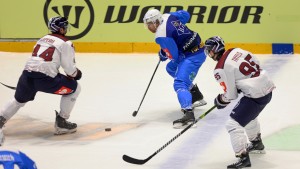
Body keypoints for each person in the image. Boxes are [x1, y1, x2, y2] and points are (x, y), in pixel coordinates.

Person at [0, 16, 82, 146]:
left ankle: (1, 119)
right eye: (64, 27)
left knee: (18, 100)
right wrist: (77, 74)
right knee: (75, 88)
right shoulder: (66, 43)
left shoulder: (42, 39)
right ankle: (62, 123)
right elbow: (69, 69)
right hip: (47, 80)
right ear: (61, 29)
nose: (66, 29)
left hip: (26, 77)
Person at [204, 36, 275, 168]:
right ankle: (256, 143)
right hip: (267, 87)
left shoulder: (220, 68)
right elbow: (256, 62)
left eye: (209, 50)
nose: (209, 54)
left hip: (256, 95)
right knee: (247, 116)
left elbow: (231, 95)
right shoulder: (236, 50)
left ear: (214, 49)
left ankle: (243, 158)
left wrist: (220, 100)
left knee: (233, 124)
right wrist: (245, 81)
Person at [143, 9, 207, 128]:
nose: (149, 27)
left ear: (156, 22)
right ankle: (195, 94)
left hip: (192, 56)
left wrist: (164, 53)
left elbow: (174, 56)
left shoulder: (161, 35)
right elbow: (186, 15)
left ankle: (188, 114)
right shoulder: (168, 16)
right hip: (197, 48)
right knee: (171, 68)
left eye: (149, 24)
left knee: (180, 84)